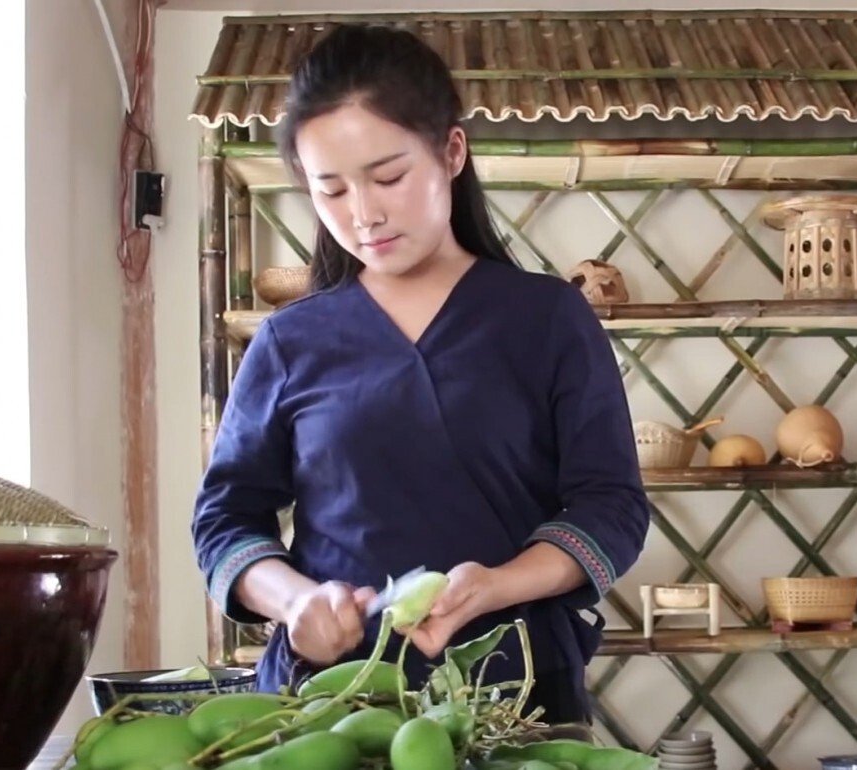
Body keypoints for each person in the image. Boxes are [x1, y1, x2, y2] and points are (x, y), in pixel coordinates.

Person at [190, 23, 650, 726]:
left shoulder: (549, 319)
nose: (364, 214)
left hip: (517, 696)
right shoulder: (290, 341)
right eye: (331, 190)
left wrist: (495, 586)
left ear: (452, 151)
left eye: (389, 176)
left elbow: (610, 508)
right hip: (328, 705)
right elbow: (225, 519)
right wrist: (295, 603)